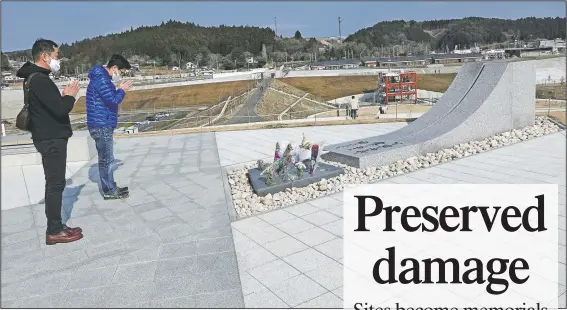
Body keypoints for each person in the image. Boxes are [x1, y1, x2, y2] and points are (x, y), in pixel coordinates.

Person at [16, 39, 83, 245]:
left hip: (46, 136)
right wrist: (70, 96)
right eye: (56, 56)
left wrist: (61, 97)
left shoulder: (34, 78)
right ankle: (54, 230)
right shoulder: (40, 80)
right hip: (51, 138)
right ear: (44, 56)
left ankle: (57, 224)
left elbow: (50, 106)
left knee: (55, 182)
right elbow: (60, 109)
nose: (58, 60)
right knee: (55, 184)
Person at [86, 54, 133, 200]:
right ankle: (109, 191)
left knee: (107, 158)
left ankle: (110, 186)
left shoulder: (103, 79)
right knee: (107, 159)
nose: (121, 75)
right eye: (122, 72)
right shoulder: (102, 79)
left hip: (102, 122)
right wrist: (122, 90)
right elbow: (113, 100)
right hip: (101, 124)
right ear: (114, 68)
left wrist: (118, 89)